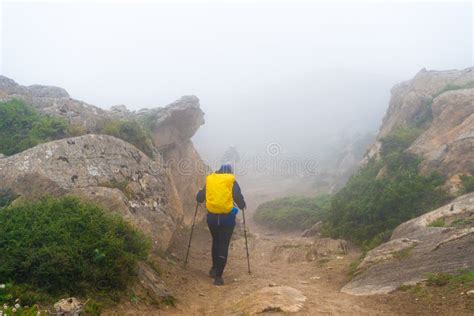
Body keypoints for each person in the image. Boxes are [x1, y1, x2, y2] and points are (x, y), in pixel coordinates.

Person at [196, 164, 246, 286]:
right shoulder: (231, 181)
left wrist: (199, 194)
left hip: (212, 218)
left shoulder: (211, 180)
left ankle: (213, 269)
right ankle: (218, 277)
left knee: (216, 241)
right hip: (227, 219)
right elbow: (239, 199)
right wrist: (242, 205)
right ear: (229, 172)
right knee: (223, 244)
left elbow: (200, 198)